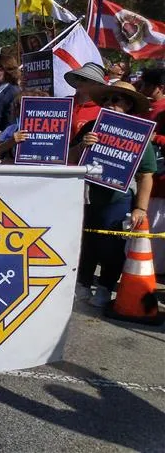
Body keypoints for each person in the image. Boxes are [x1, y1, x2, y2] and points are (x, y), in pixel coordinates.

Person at [69, 81, 156, 307]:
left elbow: (146, 174)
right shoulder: (91, 127)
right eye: (107, 99)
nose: (109, 104)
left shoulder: (138, 133)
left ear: (127, 105)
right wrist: (82, 147)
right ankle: (83, 283)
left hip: (118, 198)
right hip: (87, 196)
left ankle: (106, 286)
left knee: (112, 246)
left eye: (115, 100)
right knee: (85, 242)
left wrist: (140, 208)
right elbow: (68, 158)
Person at [138, 68, 165, 276]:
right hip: (143, 180)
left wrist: (156, 138)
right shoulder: (143, 107)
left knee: (157, 230)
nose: (143, 88)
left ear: (160, 88)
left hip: (160, 182)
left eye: (147, 85)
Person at [64, 62, 108, 137]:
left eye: (83, 79)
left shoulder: (103, 109)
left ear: (96, 83)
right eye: (77, 77)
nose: (79, 81)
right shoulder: (65, 102)